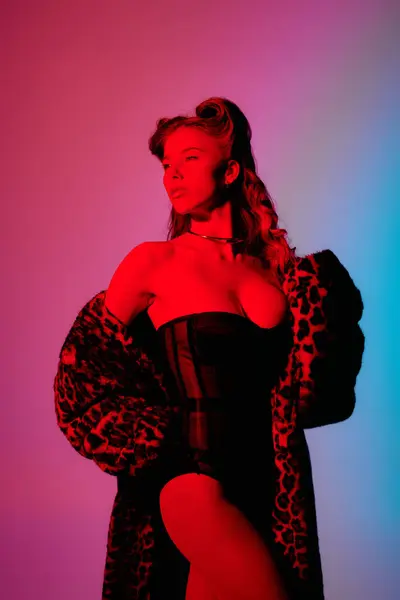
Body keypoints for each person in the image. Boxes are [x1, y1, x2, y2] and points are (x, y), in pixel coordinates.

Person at [54, 97, 365, 600]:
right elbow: (82, 373)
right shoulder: (153, 263)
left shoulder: (277, 272)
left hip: (266, 493)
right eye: (166, 164)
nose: (172, 174)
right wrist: (152, 436)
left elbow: (318, 396)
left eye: (190, 158)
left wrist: (323, 305)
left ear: (231, 170)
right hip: (192, 483)